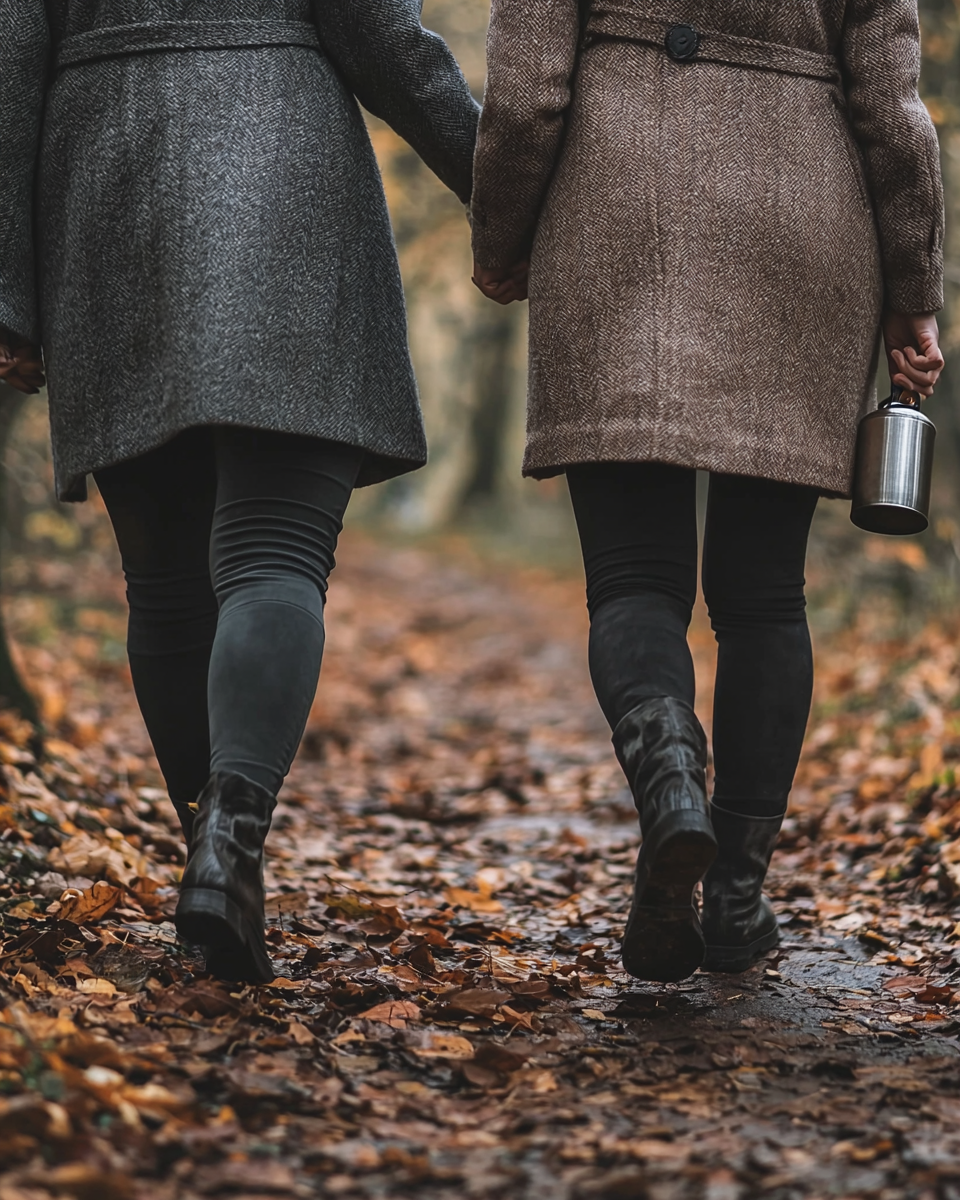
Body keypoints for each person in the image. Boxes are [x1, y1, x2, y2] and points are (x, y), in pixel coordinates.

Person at [1, 0, 479, 983]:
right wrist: (502, 186)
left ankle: (210, 858)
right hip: (284, 157)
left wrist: (7, 291)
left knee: (166, 587)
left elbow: (10, 62)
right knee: (276, 552)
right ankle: (232, 841)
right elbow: (380, 32)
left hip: (106, 181)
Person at [471, 0, 945, 981]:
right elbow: (894, 107)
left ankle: (670, 785)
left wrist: (504, 233)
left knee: (636, 579)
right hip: (803, 215)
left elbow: (526, 92)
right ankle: (735, 897)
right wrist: (913, 288)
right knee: (764, 594)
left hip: (621, 196)